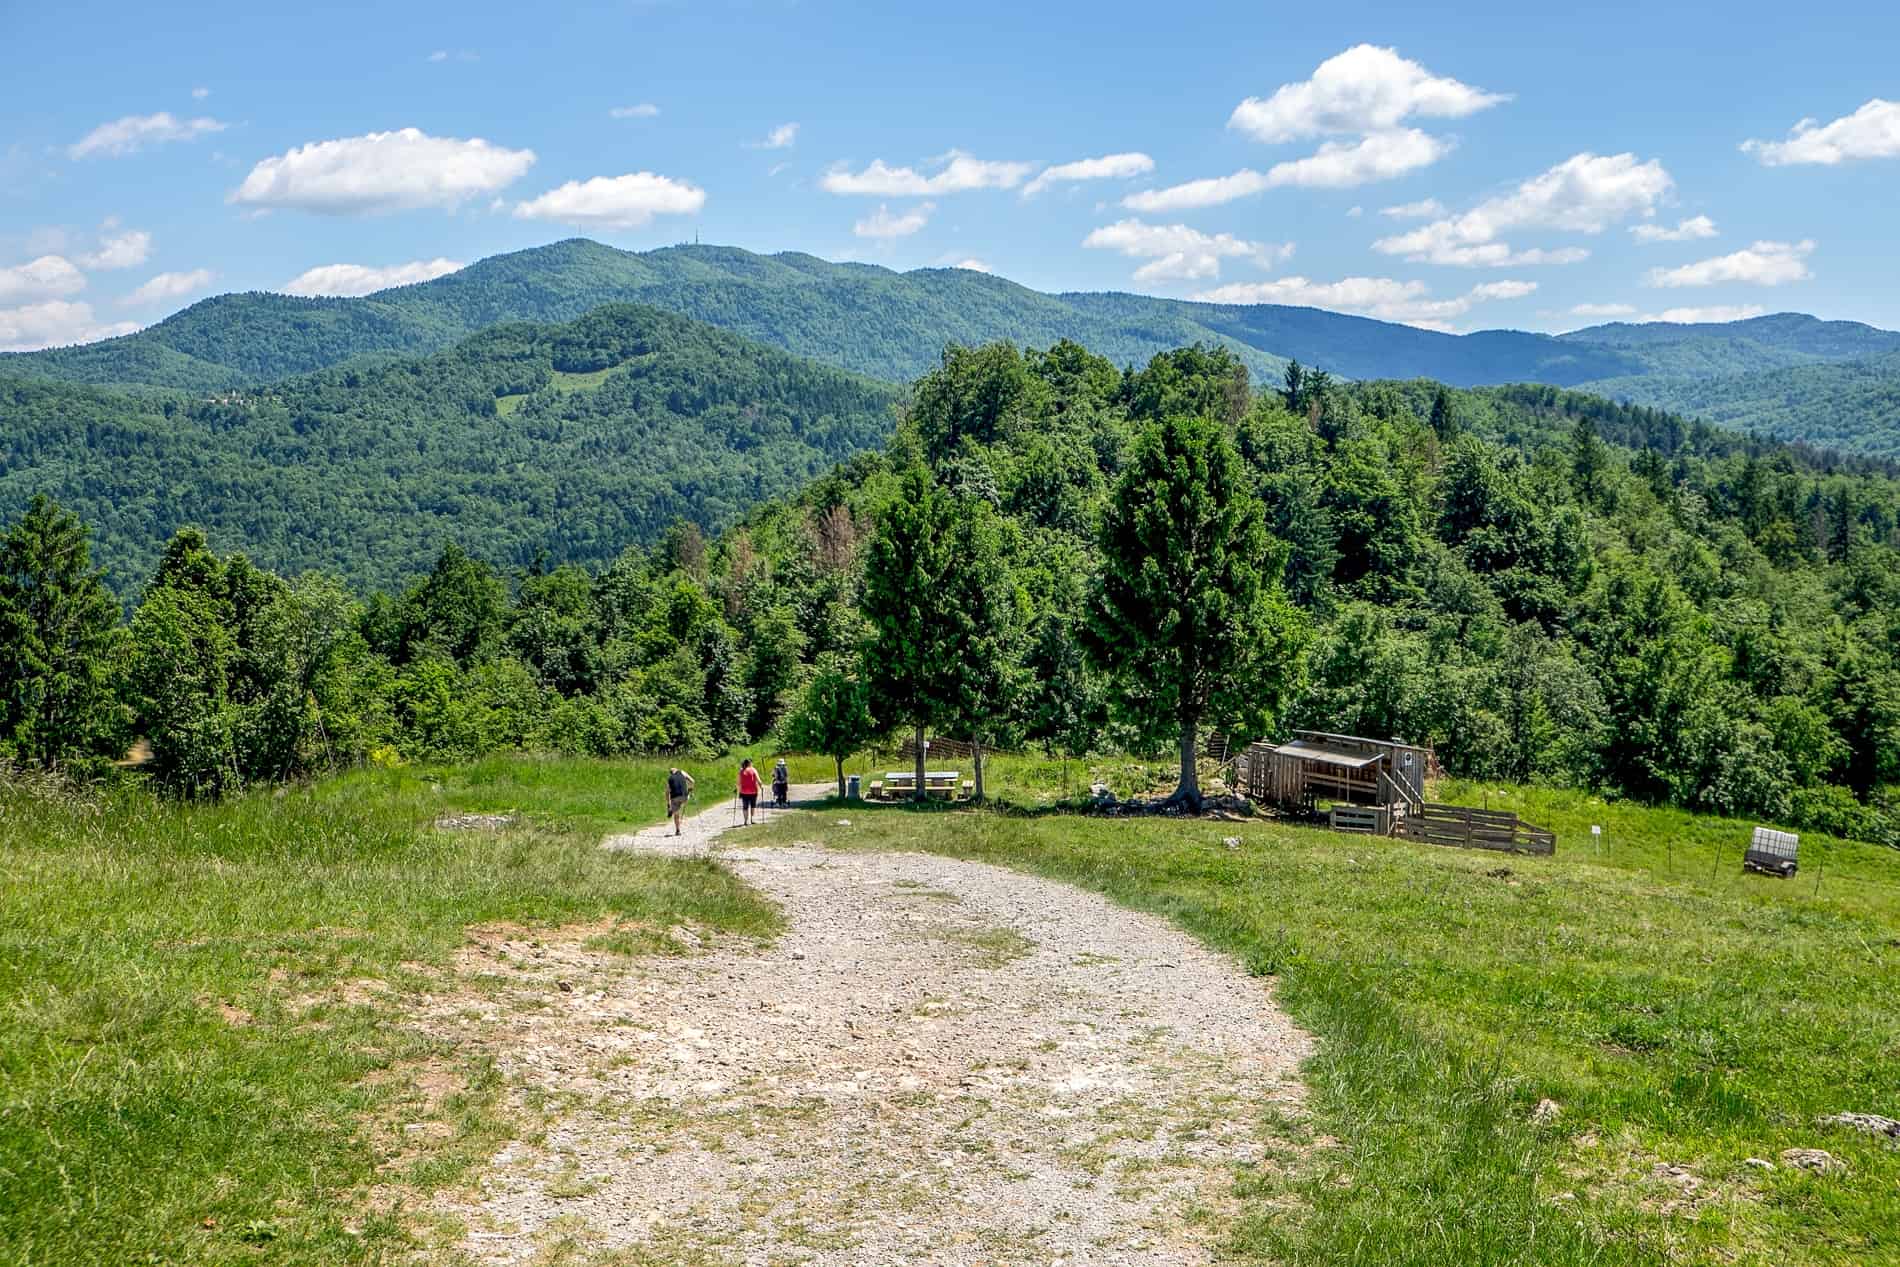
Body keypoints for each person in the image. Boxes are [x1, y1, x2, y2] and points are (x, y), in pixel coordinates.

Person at [665, 766, 694, 836]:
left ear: (671, 773)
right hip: (684, 797)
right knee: (687, 797)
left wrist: (668, 805)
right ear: (677, 770)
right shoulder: (682, 772)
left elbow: (667, 792)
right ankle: (687, 796)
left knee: (676, 814)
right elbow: (692, 781)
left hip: (674, 798)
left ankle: (678, 830)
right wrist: (690, 789)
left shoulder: (670, 779)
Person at [737, 758, 761, 826]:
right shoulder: (753, 770)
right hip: (753, 791)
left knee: (745, 807)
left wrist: (737, 788)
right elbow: (759, 780)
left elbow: (739, 782)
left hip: (744, 791)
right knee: (753, 805)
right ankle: (752, 819)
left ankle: (746, 821)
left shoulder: (741, 770)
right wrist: (761, 786)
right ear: (750, 763)